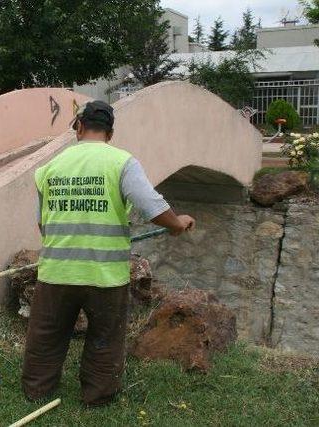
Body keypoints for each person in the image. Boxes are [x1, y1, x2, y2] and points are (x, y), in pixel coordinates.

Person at [22, 100, 195, 407]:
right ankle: (97, 396)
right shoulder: (121, 162)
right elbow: (152, 206)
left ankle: (37, 390)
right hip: (105, 275)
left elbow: (42, 224)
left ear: (78, 127)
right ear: (110, 133)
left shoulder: (48, 169)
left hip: (57, 273)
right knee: (105, 337)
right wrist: (177, 225)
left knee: (46, 335)